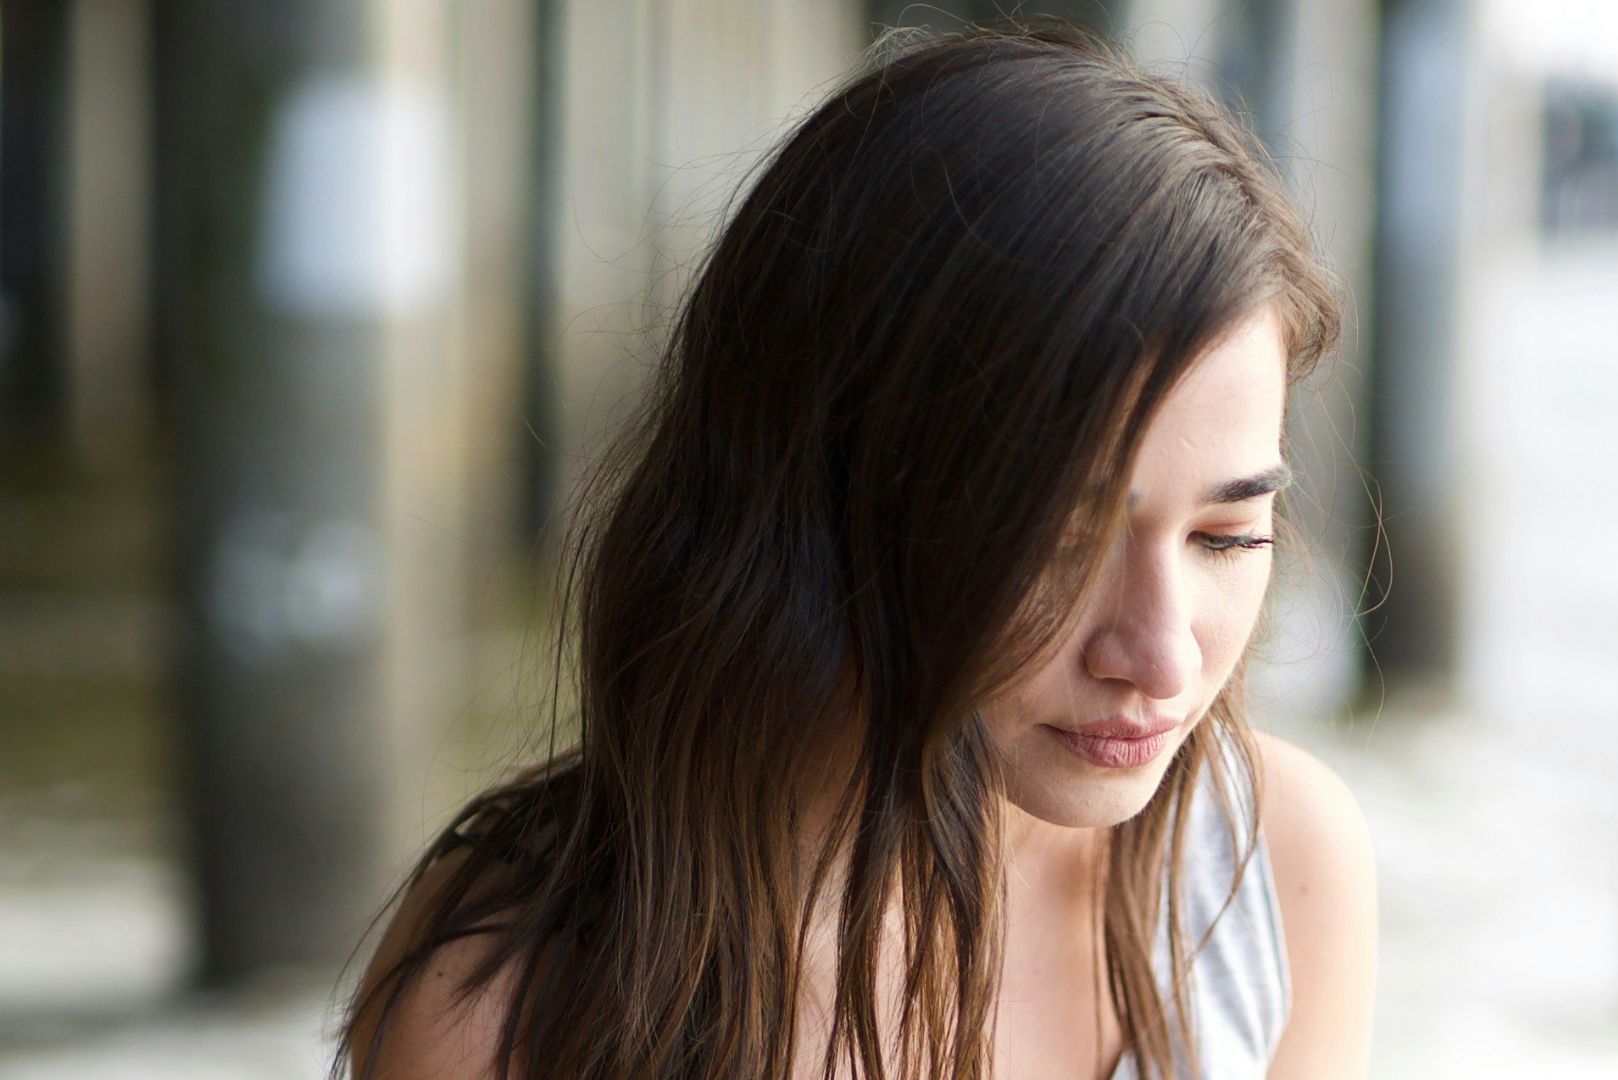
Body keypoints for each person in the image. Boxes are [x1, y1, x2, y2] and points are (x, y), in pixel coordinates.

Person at [336, 19, 1375, 1080]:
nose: (1160, 658)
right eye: (1055, 545)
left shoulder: (1268, 874)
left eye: (1226, 535)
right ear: (833, 484)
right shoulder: (523, 1008)